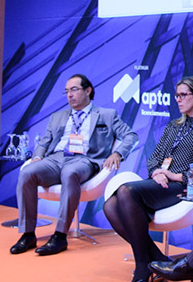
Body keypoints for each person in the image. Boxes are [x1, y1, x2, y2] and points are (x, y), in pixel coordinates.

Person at [103, 76, 193, 282]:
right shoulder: (173, 126)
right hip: (161, 183)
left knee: (125, 192)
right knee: (110, 206)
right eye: (176, 95)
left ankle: (142, 265)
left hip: (187, 186)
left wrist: (177, 176)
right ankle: (157, 260)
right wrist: (156, 172)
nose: (178, 99)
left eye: (183, 95)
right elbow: (154, 158)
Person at [10, 74, 137, 256]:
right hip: (56, 158)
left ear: (88, 90)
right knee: (27, 172)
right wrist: (38, 156)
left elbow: (131, 136)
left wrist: (117, 153)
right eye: (67, 91)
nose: (70, 95)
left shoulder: (107, 115)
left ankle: (60, 236)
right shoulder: (57, 117)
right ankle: (28, 234)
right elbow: (45, 142)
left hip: (85, 159)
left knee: (70, 172)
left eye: (74, 90)